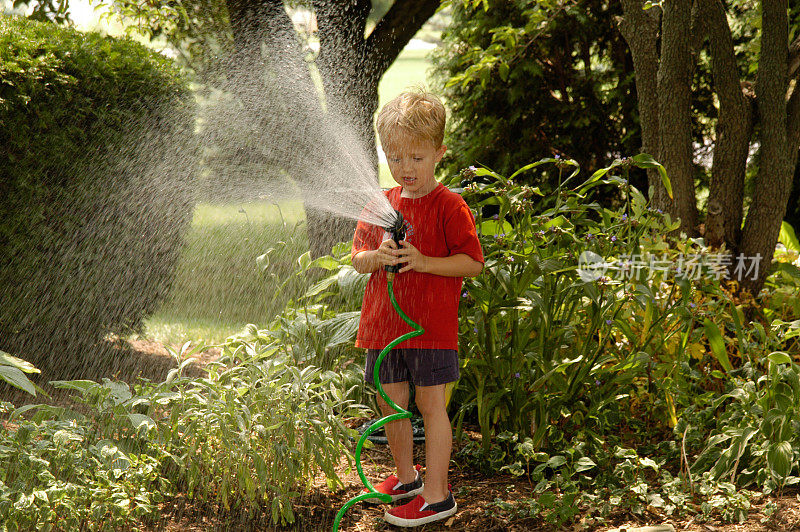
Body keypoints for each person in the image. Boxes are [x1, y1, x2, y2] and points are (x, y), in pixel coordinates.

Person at [351, 89, 484, 527]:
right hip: (384, 327)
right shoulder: (379, 204)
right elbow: (357, 259)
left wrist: (424, 262)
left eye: (417, 157)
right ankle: (407, 479)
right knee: (391, 403)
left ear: (439, 153)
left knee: (430, 405)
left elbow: (473, 263)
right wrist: (377, 257)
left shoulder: (449, 206)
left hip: (429, 329)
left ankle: (437, 495)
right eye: (395, 157)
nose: (406, 168)